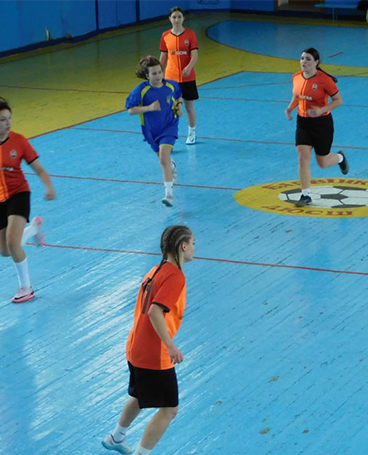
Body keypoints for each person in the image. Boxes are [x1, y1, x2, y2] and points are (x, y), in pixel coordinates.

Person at [102, 225, 195, 455]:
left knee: (140, 395)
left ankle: (116, 438)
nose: (194, 248)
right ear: (183, 246)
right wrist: (170, 346)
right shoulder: (175, 277)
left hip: (135, 346)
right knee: (170, 409)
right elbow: (155, 311)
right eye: (193, 243)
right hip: (154, 353)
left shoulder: (155, 270)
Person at [0, 95, 55, 303]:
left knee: (13, 243)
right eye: (3, 119)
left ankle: (26, 287)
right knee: (5, 250)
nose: (8, 123)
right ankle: (33, 230)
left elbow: (39, 168)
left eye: (9, 118)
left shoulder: (19, 141)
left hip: (18, 194)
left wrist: (48, 186)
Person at [284, 48, 349, 207]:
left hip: (322, 124)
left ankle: (340, 158)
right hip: (303, 122)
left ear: (316, 62)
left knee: (323, 163)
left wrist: (321, 110)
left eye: (308, 59)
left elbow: (338, 100)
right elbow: (297, 95)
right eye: (302, 58)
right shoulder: (296, 77)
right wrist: (290, 108)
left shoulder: (325, 80)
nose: (304, 62)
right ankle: (305, 195)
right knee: (303, 157)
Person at [126, 56, 183, 207]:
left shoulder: (171, 85)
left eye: (159, 72)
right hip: (151, 130)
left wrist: (179, 107)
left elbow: (178, 96)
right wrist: (149, 108)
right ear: (147, 75)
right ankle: (172, 165)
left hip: (169, 126)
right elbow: (131, 110)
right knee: (164, 160)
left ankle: (169, 195)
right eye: (154, 73)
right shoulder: (141, 90)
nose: (158, 76)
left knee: (163, 159)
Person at [159, 7, 199, 145]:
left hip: (188, 78)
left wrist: (189, 67)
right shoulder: (165, 35)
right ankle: (169, 135)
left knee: (188, 106)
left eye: (179, 17)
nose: (177, 20)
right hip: (171, 78)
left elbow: (195, 55)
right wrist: (158, 73)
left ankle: (192, 132)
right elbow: (163, 57)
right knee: (172, 107)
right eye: (174, 17)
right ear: (170, 19)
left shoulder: (190, 34)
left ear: (183, 18)